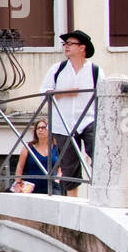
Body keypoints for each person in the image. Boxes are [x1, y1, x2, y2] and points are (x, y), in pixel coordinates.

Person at [40, 30, 99, 197]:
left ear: (82, 48)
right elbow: (45, 92)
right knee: (69, 164)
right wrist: (66, 92)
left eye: (70, 44)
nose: (66, 47)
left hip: (88, 120)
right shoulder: (57, 69)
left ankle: (103, 191)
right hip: (62, 122)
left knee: (98, 152)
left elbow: (105, 95)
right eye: (65, 44)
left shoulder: (95, 71)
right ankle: (73, 200)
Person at [13, 119, 59, 195]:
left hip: (52, 187)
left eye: (43, 127)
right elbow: (20, 167)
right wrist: (18, 183)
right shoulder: (28, 147)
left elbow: (61, 167)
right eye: (38, 128)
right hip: (31, 188)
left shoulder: (56, 147)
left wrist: (57, 180)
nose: (40, 130)